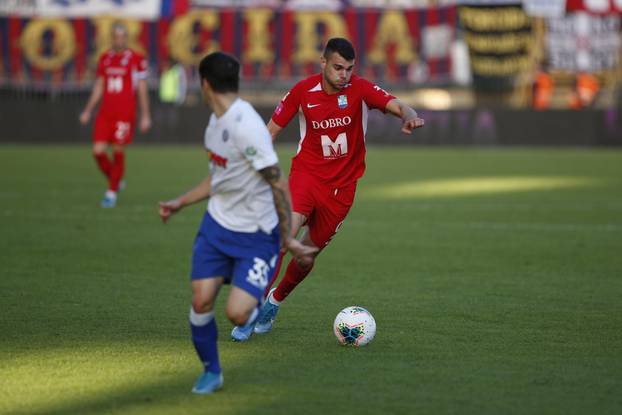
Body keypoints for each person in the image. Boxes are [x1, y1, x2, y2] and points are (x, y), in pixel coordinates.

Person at [231, 37, 424, 341]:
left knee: (306, 257)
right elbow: (269, 132)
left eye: (348, 69)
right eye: (337, 67)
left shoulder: (360, 89)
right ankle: (252, 308)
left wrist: (410, 116)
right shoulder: (302, 91)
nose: (343, 75)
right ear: (323, 63)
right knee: (285, 236)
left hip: (342, 191)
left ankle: (274, 302)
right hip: (306, 177)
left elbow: (398, 104)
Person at [158, 52, 317, 394]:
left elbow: (278, 182)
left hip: (256, 235)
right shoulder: (214, 125)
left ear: (204, 84)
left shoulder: (247, 127)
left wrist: (287, 240)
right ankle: (211, 371)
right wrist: (181, 201)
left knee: (238, 315)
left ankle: (257, 292)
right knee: (201, 301)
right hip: (216, 228)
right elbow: (220, 179)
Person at [79, 22, 152, 208]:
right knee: (98, 151)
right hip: (105, 113)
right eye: (116, 36)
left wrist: (145, 115)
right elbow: (99, 86)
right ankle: (116, 179)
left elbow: (142, 89)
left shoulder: (136, 59)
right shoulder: (104, 58)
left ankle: (111, 193)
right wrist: (88, 110)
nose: (119, 40)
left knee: (118, 150)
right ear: (112, 37)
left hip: (124, 114)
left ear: (127, 38)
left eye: (122, 36)